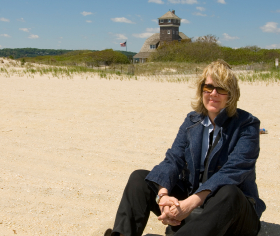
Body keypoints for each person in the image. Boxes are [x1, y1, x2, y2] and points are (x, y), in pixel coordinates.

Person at [105, 59, 265, 236]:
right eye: (208, 87)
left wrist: (189, 204)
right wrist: (163, 196)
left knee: (229, 192)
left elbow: (234, 170)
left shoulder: (247, 125)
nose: (213, 94)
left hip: (233, 215)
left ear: (231, 94)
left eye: (221, 89)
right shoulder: (192, 121)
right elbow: (173, 159)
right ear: (201, 89)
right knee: (139, 179)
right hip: (193, 206)